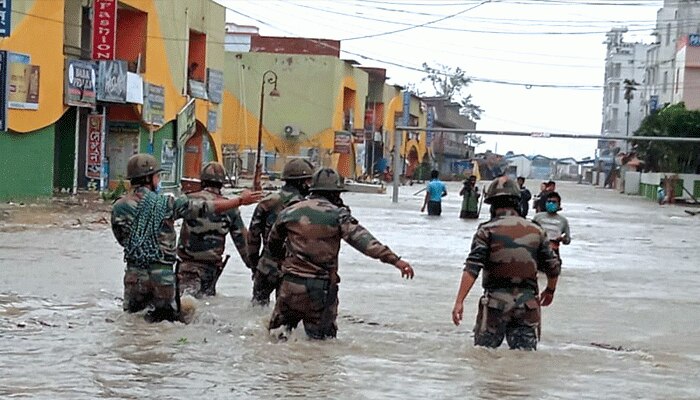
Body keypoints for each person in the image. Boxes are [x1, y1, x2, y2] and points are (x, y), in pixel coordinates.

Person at [111, 154, 262, 323]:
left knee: (133, 323)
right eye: (157, 176)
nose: (158, 180)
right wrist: (240, 200)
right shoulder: (165, 204)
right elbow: (208, 208)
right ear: (149, 178)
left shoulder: (119, 207)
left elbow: (122, 238)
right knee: (166, 327)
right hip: (163, 277)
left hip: (135, 275)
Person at [267, 168, 415, 340]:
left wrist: (283, 267)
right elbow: (364, 242)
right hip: (320, 291)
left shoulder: (289, 212)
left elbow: (273, 244)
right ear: (335, 193)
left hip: (290, 286)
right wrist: (396, 261)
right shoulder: (338, 215)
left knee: (275, 338)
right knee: (321, 346)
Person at [451, 176, 561, 350]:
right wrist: (550, 290)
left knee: (485, 357)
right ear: (517, 203)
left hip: (495, 305)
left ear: (492, 205)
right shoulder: (536, 230)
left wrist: (459, 301)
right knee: (524, 360)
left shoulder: (486, 230)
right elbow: (553, 267)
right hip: (528, 305)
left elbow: (472, 267)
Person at [176, 162, 251, 298]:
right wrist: (257, 269)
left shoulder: (188, 200)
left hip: (187, 268)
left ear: (202, 181)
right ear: (222, 184)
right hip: (211, 270)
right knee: (206, 307)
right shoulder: (230, 208)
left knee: (185, 306)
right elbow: (244, 245)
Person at [247, 158, 315, 306]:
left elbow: (252, 237)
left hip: (266, 265)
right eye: (309, 181)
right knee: (285, 317)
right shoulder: (307, 207)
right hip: (293, 270)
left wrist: (254, 265)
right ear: (302, 182)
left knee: (257, 308)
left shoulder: (267, 201)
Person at [532, 191, 571, 262]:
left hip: (554, 252)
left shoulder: (563, 220)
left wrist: (563, 239)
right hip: (538, 251)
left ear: (559, 204)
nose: (550, 204)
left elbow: (568, 240)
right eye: (548, 201)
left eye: (553, 202)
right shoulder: (538, 217)